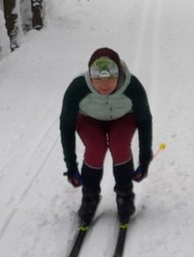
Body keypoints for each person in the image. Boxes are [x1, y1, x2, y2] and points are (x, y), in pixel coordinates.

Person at [59, 48, 154, 224]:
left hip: (123, 118)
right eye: (98, 79)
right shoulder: (77, 88)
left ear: (119, 75)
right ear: (90, 77)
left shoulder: (132, 87)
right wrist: (71, 166)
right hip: (89, 119)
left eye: (110, 79)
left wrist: (144, 160)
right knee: (96, 148)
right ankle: (90, 197)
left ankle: (125, 195)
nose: (104, 85)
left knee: (120, 146)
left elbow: (145, 122)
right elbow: (66, 126)